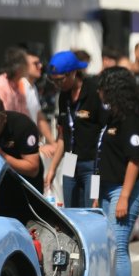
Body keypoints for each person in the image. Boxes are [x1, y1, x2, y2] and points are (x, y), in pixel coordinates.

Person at [93, 67, 139, 276]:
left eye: (103, 86)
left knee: (118, 245)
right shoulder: (111, 119)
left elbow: (134, 159)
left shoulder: (130, 119)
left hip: (125, 189)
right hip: (106, 188)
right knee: (106, 245)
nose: (99, 91)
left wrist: (124, 197)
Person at [45, 51, 105, 207]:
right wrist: (52, 169)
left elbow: (105, 132)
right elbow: (62, 136)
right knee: (71, 211)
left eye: (60, 80)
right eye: (54, 81)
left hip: (92, 165)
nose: (58, 85)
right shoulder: (63, 97)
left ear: (73, 72)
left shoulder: (94, 92)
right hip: (70, 164)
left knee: (91, 212)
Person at [0, 94, 43, 191]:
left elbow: (33, 169)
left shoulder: (22, 126)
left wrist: (0, 155)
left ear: (4, 119)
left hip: (26, 185)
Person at [0, 46, 30, 116]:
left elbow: (25, 114)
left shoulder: (18, 84)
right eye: (26, 63)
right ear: (19, 67)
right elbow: (3, 115)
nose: (28, 66)